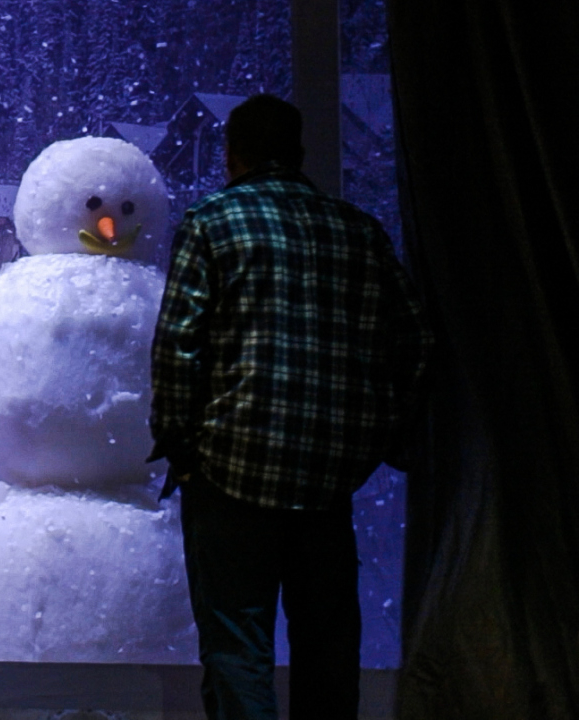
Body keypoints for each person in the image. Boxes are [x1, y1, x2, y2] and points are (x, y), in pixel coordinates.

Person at [149, 94, 433, 719]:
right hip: (325, 479)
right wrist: (376, 433)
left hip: (230, 470)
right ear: (299, 154)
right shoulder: (358, 231)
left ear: (232, 155)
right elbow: (414, 341)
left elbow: (176, 347)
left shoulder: (212, 222)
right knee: (328, 648)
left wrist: (179, 443)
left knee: (236, 646)